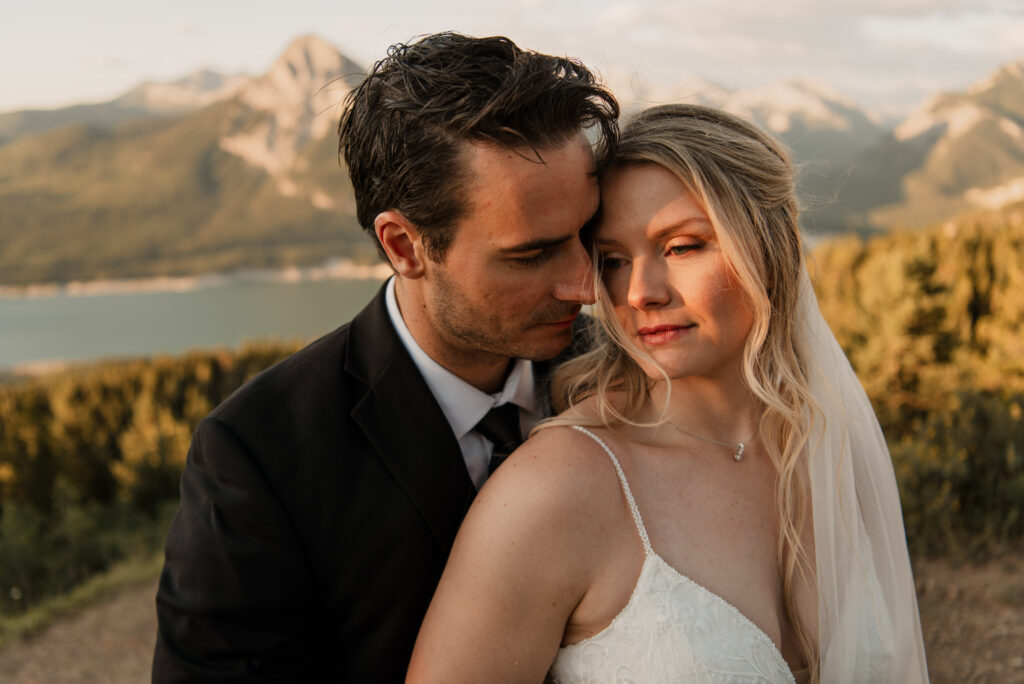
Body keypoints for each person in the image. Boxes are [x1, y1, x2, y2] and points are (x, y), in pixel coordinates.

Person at [151, 33, 618, 683]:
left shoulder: (632, 379)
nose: (586, 286)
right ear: (404, 246)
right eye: (531, 254)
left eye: (587, 235)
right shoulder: (262, 457)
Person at [407, 104, 928, 683]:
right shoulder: (557, 490)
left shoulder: (827, 447)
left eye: (681, 247)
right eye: (613, 260)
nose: (640, 292)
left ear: (770, 246)